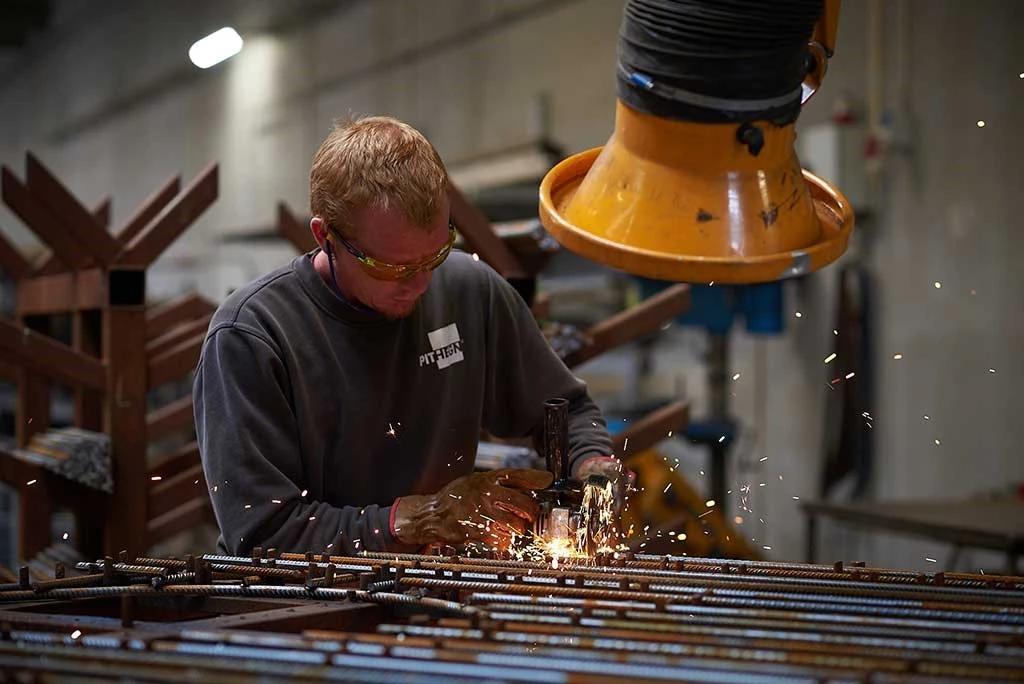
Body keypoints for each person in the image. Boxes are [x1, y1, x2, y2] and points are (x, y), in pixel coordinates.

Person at [193, 115, 629, 557]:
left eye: (435, 256)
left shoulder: (468, 291)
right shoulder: (252, 335)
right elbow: (262, 532)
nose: (420, 283)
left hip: (439, 593)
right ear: (326, 237)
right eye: (392, 268)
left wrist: (592, 463)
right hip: (306, 608)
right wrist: (417, 519)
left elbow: (565, 410)